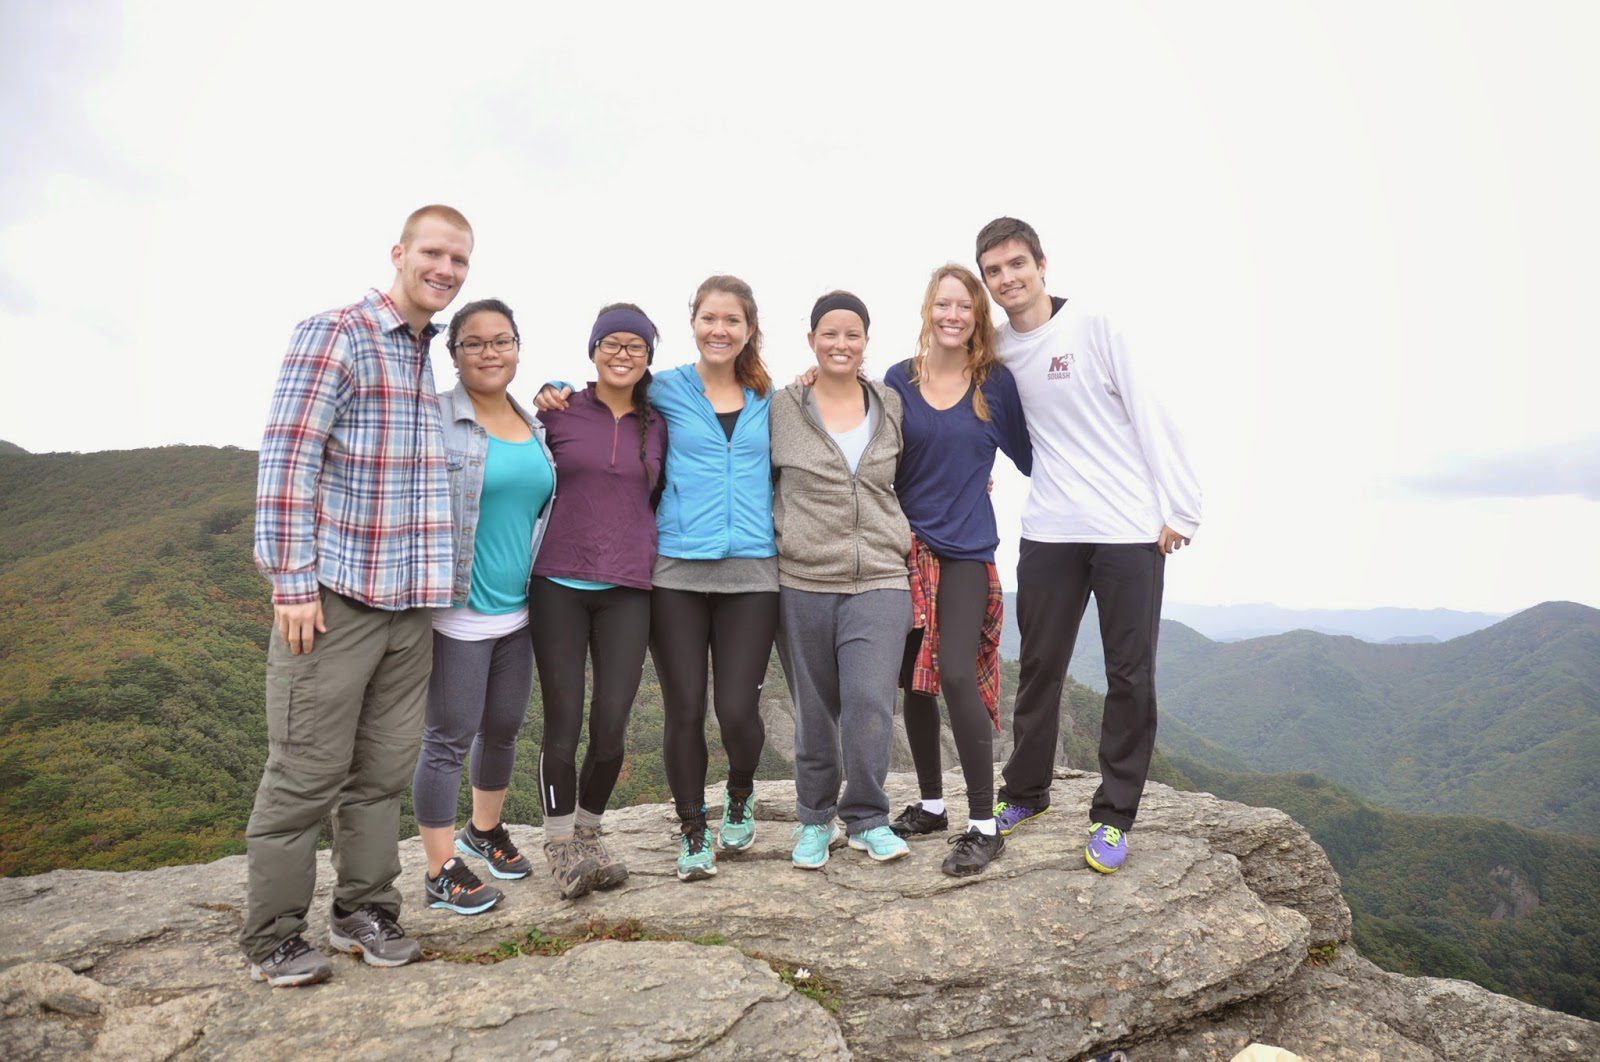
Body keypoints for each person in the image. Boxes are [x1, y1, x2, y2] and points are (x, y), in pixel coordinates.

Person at [244, 204, 473, 986]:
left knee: (379, 775)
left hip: (410, 605)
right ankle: (272, 936)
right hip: (334, 599)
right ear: (400, 252)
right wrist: (291, 583)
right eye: (434, 254)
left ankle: (363, 909)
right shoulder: (337, 332)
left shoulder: (422, 355)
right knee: (305, 774)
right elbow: (287, 459)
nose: (445, 270)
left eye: (459, 260)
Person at [974, 217, 1202, 874]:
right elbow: (948, 394)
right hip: (1049, 528)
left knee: (1130, 672)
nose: (1007, 278)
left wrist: (1179, 507)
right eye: (994, 270)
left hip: (1129, 529)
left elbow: (1148, 408)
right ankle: (1025, 793)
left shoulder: (1096, 327)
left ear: (1042, 264)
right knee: (1041, 666)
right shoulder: (994, 348)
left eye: (1017, 263)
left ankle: (1113, 815)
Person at [536, 276, 777, 885]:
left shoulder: (775, 400)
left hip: (751, 570)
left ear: (749, 330)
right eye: (708, 318)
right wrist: (553, 389)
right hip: (673, 570)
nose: (719, 330)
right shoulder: (665, 389)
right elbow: (596, 394)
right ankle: (693, 832)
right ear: (693, 322)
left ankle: (740, 794)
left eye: (733, 320)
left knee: (737, 711)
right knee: (685, 709)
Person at [883, 264, 1033, 877]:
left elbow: (1033, 455)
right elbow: (868, 447)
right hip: (905, 550)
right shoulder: (898, 380)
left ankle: (983, 824)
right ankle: (933, 805)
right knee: (910, 681)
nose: (952, 315)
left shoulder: (995, 384)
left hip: (968, 550)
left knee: (955, 676)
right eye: (942, 304)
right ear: (928, 310)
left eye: (964, 306)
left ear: (977, 316)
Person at [411, 298, 553, 916]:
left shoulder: (537, 423)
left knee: (502, 729)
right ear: (455, 353)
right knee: (448, 737)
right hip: (456, 610)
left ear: (518, 348)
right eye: (474, 343)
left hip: (520, 609)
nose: (490, 353)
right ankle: (440, 869)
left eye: (502, 341)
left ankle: (484, 831)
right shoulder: (435, 418)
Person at [528, 303, 667, 899]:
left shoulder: (659, 422)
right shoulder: (559, 412)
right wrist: (543, 392)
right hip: (558, 579)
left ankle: (589, 833)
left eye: (635, 347)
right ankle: (559, 844)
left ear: (648, 359)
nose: (622, 354)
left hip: (630, 585)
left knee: (611, 725)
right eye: (611, 343)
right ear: (592, 350)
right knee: (563, 720)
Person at [771, 291, 913, 869]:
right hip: (802, 577)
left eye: (852, 334)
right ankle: (814, 820)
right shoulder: (782, 406)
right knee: (813, 709)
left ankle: (868, 818)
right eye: (829, 334)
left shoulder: (891, 404)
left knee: (869, 702)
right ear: (811, 340)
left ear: (866, 341)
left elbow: (924, 468)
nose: (840, 344)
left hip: (881, 574)